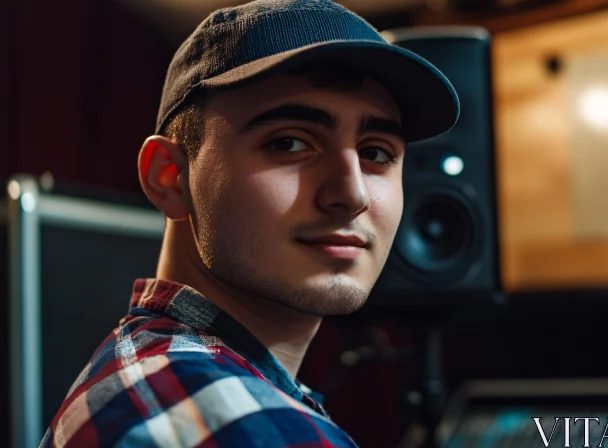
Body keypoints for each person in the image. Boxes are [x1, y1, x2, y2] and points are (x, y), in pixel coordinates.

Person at [38, 0, 459, 446]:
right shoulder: (244, 425)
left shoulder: (144, 375)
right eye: (290, 143)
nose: (352, 194)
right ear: (170, 177)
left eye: (376, 153)